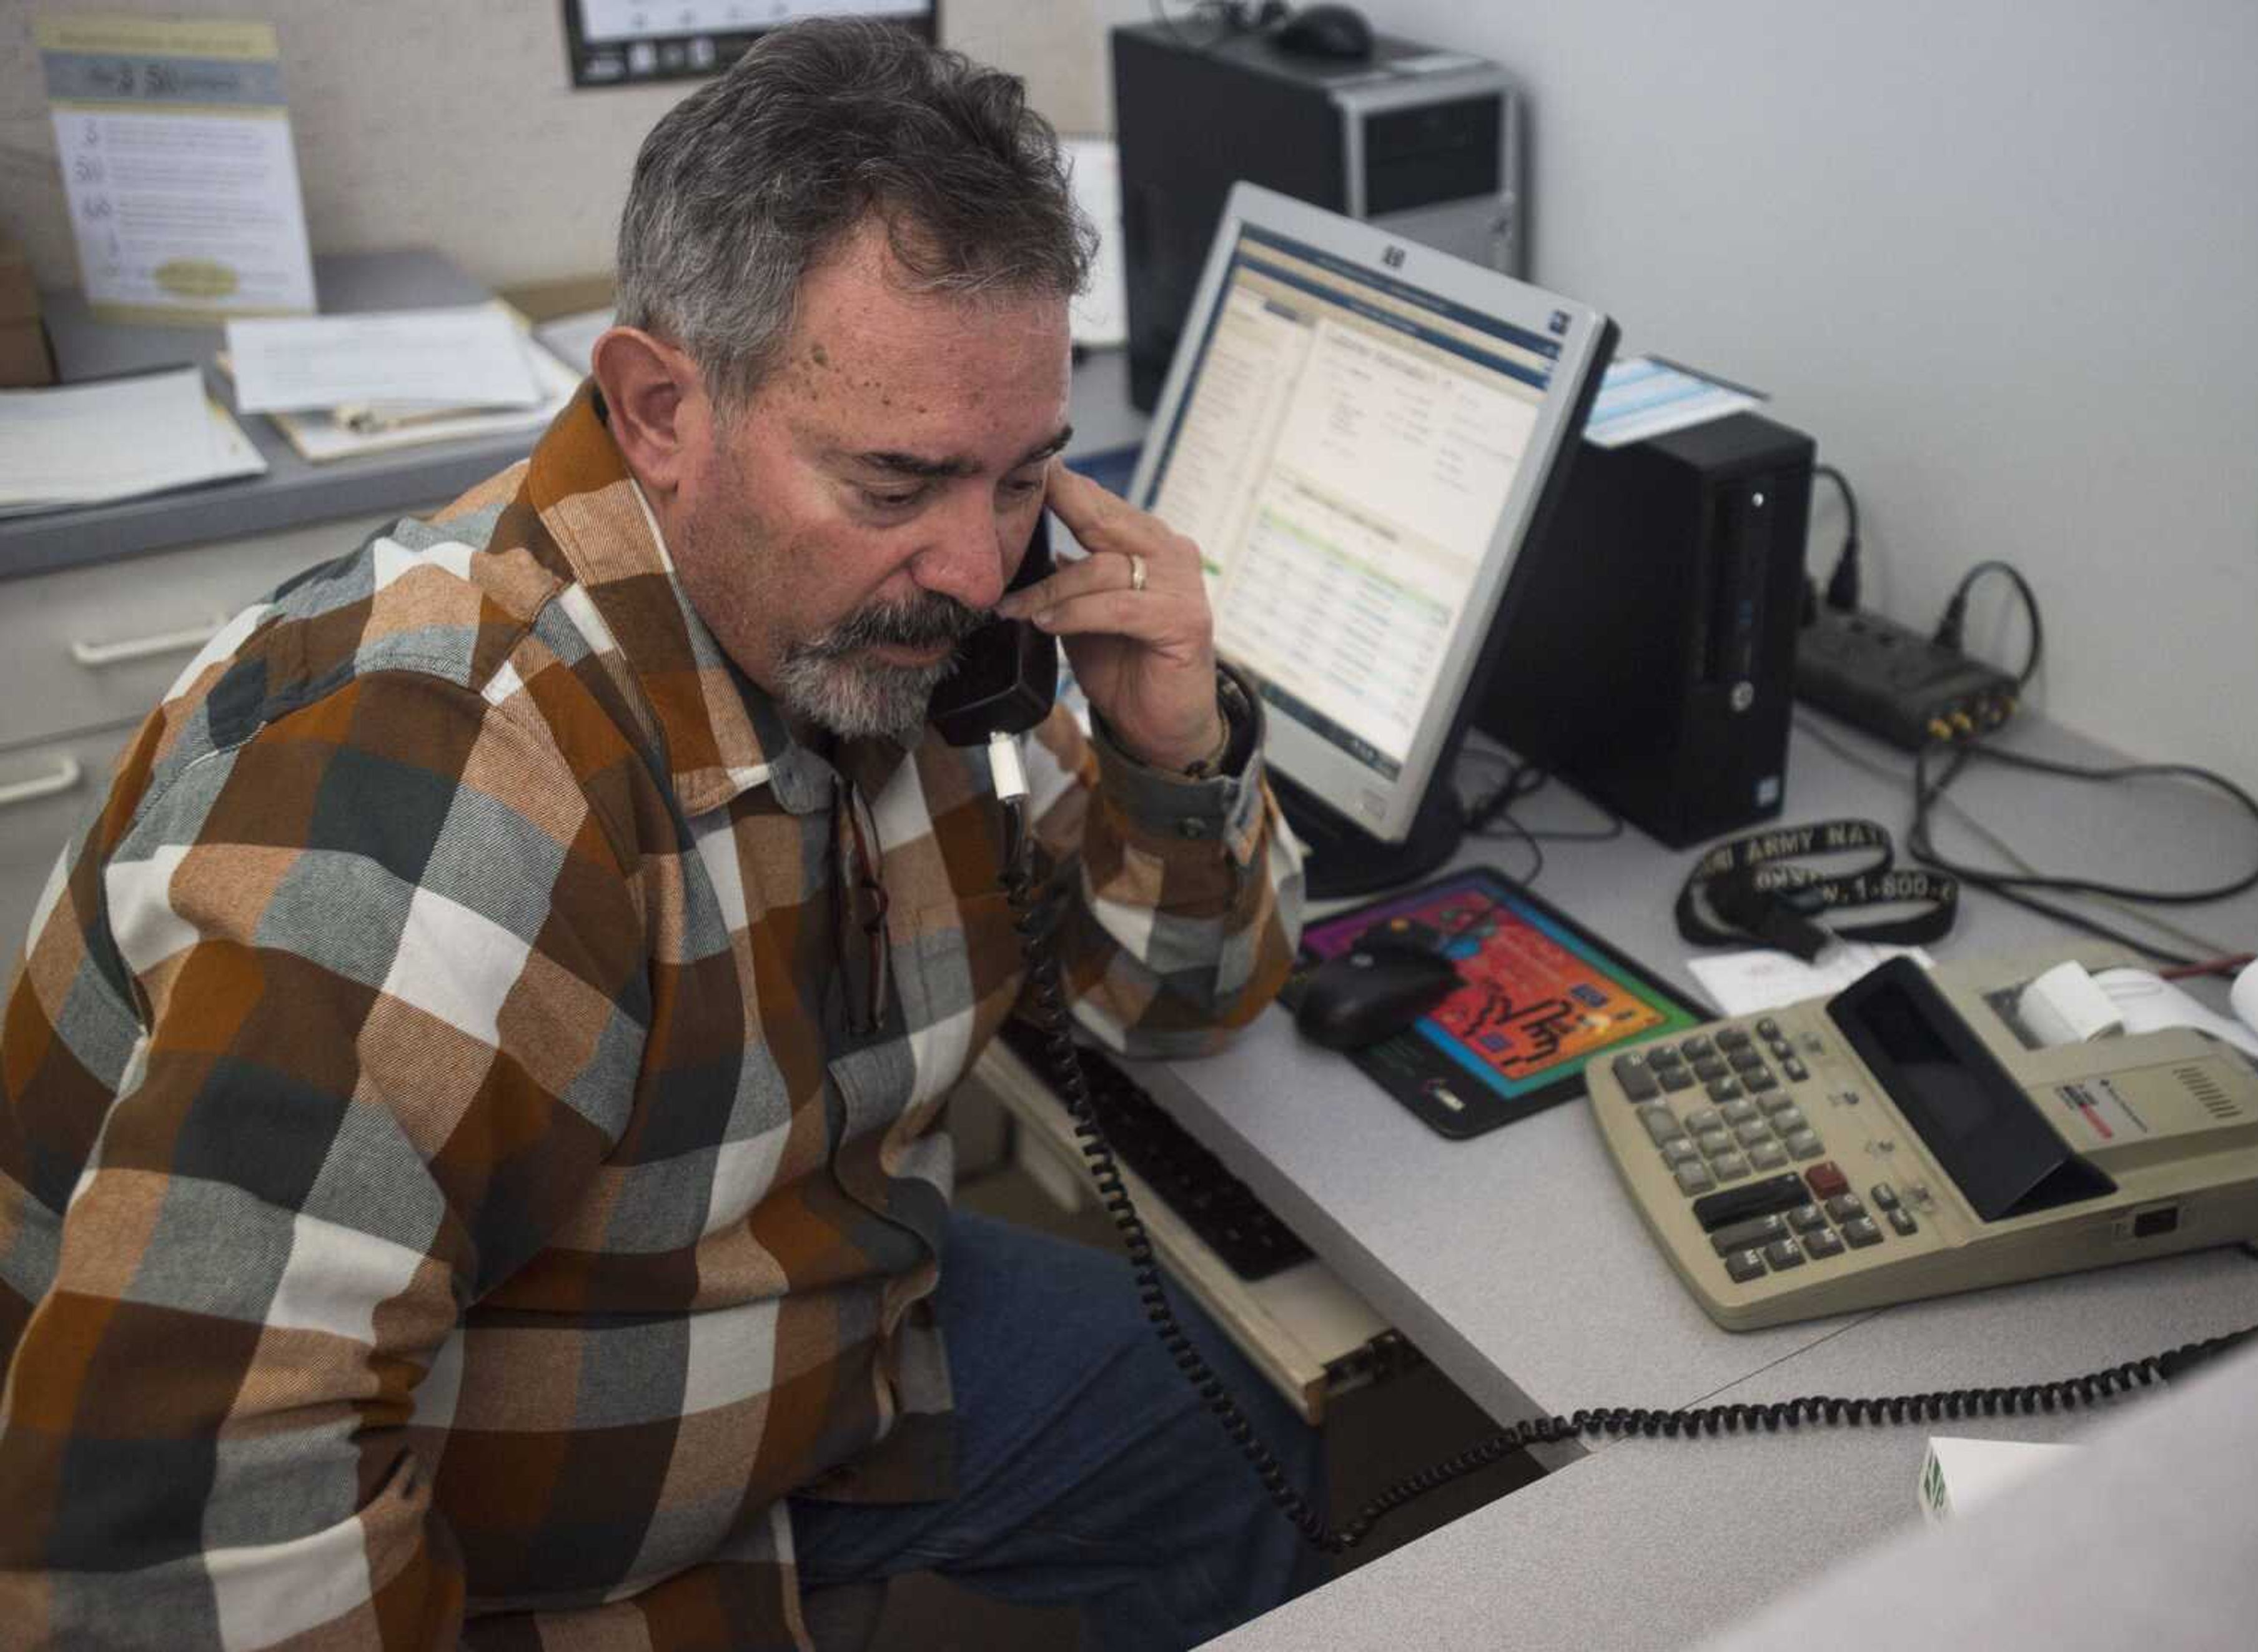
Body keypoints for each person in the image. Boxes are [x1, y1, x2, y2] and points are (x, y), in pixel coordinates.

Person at [0, 20, 1315, 1649]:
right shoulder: (444, 776)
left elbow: (1182, 998)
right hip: (504, 1496)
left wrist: (1170, 746)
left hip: (794, 1321)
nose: (978, 566)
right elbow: (173, 1536)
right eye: (898, 481)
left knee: (1237, 1431)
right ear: (658, 409)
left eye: (1022, 473)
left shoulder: (911, 628)